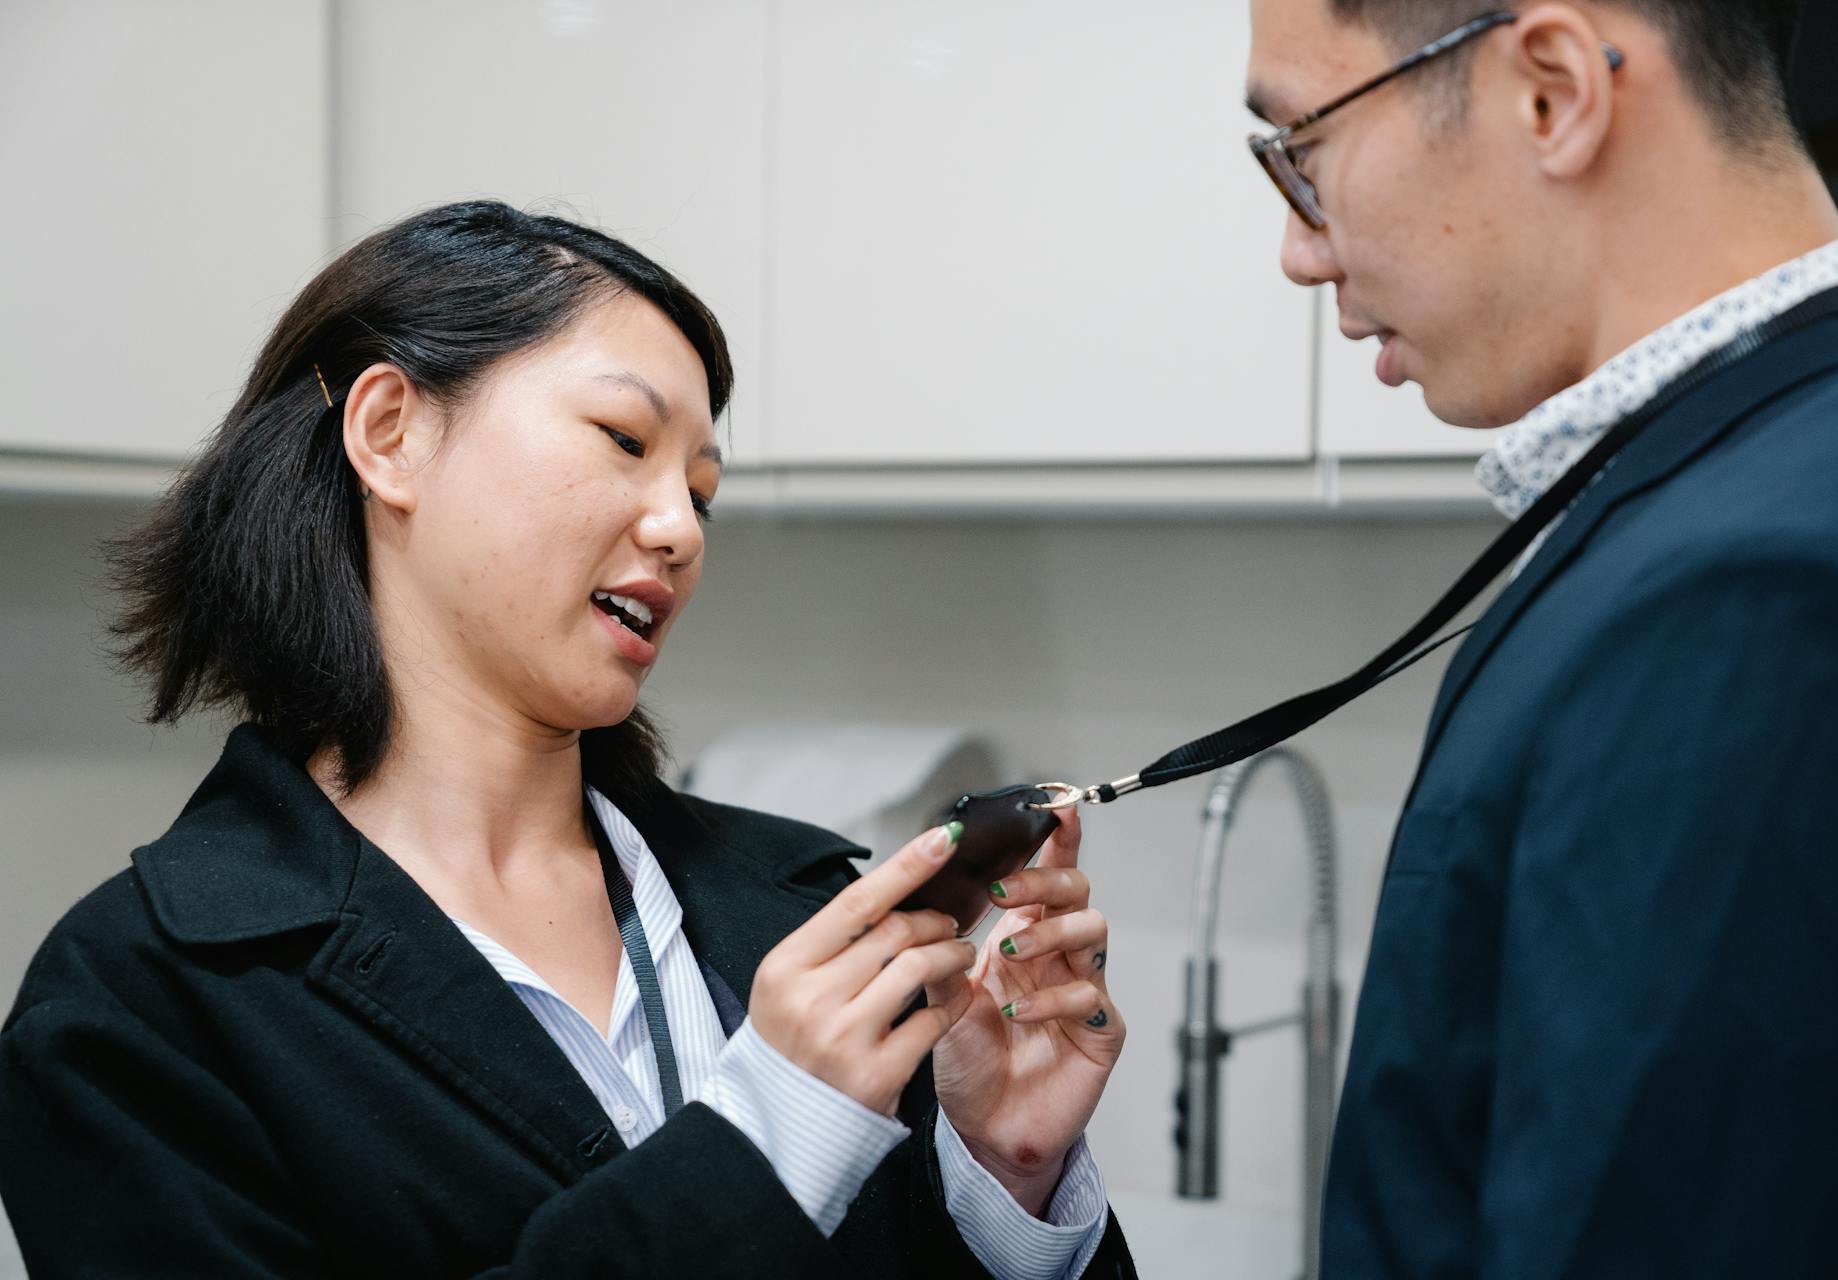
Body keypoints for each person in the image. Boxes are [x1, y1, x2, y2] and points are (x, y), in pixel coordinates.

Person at [0, 202, 1135, 1279]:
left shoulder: (806, 905)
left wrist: (1006, 1178)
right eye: (622, 437)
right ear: (390, 433)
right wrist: (771, 1133)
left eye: (702, 489)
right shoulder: (133, 1005)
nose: (680, 528)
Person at [1242, 1, 1838, 1275]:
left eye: (1301, 149)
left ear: (1551, 90)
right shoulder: (1744, 493)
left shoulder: (1776, 598)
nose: (1297, 248)